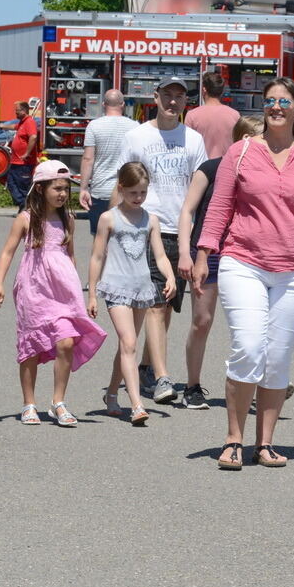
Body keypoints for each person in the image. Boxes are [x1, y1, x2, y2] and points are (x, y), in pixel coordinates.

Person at [194, 76, 294, 470]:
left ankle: (265, 443)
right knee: (248, 347)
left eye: (284, 101)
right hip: (242, 262)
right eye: (270, 101)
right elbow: (219, 207)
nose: (276, 107)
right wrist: (202, 253)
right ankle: (232, 439)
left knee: (277, 358)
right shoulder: (242, 152)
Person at [0, 160, 106, 427]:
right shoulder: (26, 219)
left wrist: (80, 292)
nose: (63, 194)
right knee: (31, 348)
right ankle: (29, 403)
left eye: (66, 188)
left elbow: (71, 255)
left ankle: (58, 401)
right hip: (34, 289)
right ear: (41, 189)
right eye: (57, 188)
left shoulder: (68, 219)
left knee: (66, 341)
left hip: (63, 290)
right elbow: (8, 251)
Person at [118, 77, 208, 405]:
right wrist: (117, 227)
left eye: (179, 97)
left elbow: (199, 188)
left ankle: (144, 365)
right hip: (145, 228)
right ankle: (162, 378)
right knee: (155, 305)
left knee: (165, 305)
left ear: (187, 102)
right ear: (155, 97)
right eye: (167, 95)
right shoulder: (137, 136)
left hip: (179, 230)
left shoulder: (194, 140)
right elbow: (122, 182)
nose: (173, 102)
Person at [176, 118, 265, 412]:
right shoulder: (211, 168)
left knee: (250, 326)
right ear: (241, 139)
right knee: (202, 322)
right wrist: (185, 253)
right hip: (207, 251)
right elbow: (188, 211)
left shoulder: (264, 172)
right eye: (256, 138)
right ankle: (192, 386)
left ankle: (254, 384)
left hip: (245, 253)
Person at [88, 162, 175, 426]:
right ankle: (137, 404)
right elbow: (97, 256)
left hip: (141, 288)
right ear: (121, 189)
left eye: (143, 193)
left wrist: (170, 276)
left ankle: (112, 393)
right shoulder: (109, 218)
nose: (138, 198)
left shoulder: (151, 219)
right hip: (116, 287)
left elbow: (159, 254)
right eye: (133, 193)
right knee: (129, 343)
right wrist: (92, 292)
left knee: (128, 345)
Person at [78, 89, 138, 235]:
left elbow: (88, 159)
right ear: (123, 105)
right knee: (123, 238)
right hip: (125, 192)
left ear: (103, 104)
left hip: (100, 191)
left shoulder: (93, 126)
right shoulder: (135, 126)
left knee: (100, 239)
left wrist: (83, 188)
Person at [185, 71, 241, 159]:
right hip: (226, 168)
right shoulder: (235, 115)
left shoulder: (192, 115)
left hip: (201, 169)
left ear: (204, 89)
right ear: (221, 91)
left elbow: (188, 147)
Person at [0, 101, 38, 209]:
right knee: (10, 183)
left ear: (24, 111)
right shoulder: (22, 122)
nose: (15, 113)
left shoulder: (29, 122)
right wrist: (3, 126)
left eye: (17, 111)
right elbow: (14, 126)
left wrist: (27, 153)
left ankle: (26, 207)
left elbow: (33, 137)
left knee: (22, 186)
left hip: (24, 163)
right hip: (15, 161)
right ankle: (24, 205)